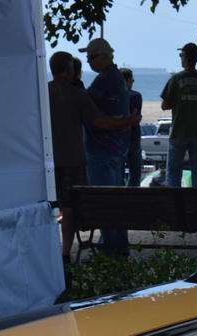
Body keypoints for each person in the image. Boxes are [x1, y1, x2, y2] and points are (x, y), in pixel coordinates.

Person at [47, 50, 136, 259]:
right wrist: (128, 122)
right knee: (68, 209)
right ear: (70, 72)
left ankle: (47, 251)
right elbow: (101, 122)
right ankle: (65, 252)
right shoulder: (77, 95)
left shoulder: (41, 93)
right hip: (73, 160)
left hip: (46, 162)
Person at [82, 38, 133, 253]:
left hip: (102, 150)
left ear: (104, 56)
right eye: (87, 58)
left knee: (105, 202)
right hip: (115, 149)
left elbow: (84, 105)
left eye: (92, 57)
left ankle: (111, 248)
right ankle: (117, 246)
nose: (89, 61)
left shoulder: (105, 81)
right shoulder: (116, 78)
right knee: (115, 201)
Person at [160, 42, 197, 188]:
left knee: (173, 176)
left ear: (185, 57)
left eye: (181, 55)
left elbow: (164, 105)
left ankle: (174, 206)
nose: (180, 58)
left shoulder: (175, 79)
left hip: (179, 132)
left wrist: (180, 101)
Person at [121, 67, 144, 187]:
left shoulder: (114, 96)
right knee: (135, 174)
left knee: (118, 173)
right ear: (128, 80)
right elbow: (137, 116)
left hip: (118, 138)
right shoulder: (136, 96)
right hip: (134, 137)